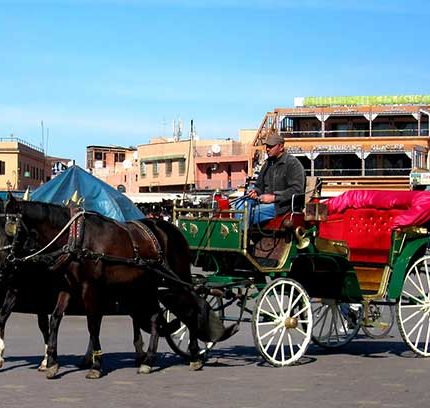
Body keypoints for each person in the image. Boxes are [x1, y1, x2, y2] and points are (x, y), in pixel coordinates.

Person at [238, 133, 305, 225]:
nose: (267, 149)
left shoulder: (293, 164)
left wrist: (274, 197)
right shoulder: (267, 164)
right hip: (262, 202)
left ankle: (241, 237)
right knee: (239, 206)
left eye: (271, 146)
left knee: (247, 214)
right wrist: (256, 192)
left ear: (281, 147)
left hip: (283, 206)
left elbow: (297, 190)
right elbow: (259, 186)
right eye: (267, 146)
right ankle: (239, 235)